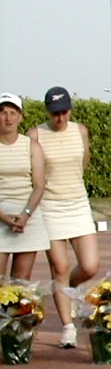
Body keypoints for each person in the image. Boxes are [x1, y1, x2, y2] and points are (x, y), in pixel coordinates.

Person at [27, 86, 100, 349]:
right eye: (55, 113)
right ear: (47, 111)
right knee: (59, 268)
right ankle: (68, 328)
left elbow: (83, 162)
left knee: (90, 266)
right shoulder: (35, 135)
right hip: (49, 208)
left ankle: (67, 292)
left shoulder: (80, 131)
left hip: (78, 204)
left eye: (64, 112)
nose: (60, 118)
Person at [0, 93, 49, 281]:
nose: (8, 118)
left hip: (27, 216)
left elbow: (38, 185)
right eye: (3, 112)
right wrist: (4, 217)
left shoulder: (32, 146)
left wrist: (25, 215)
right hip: (2, 213)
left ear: (20, 117)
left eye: (13, 112)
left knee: (21, 281)